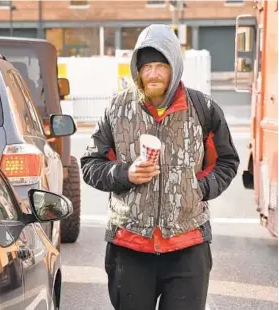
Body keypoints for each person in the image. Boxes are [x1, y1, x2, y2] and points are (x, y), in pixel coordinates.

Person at [81, 24, 240, 310]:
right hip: (129, 245)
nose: (153, 73)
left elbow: (226, 162)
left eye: (160, 65)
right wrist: (125, 174)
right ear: (137, 69)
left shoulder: (203, 108)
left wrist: (199, 188)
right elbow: (91, 164)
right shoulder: (116, 109)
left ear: (174, 67)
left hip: (187, 245)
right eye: (147, 67)